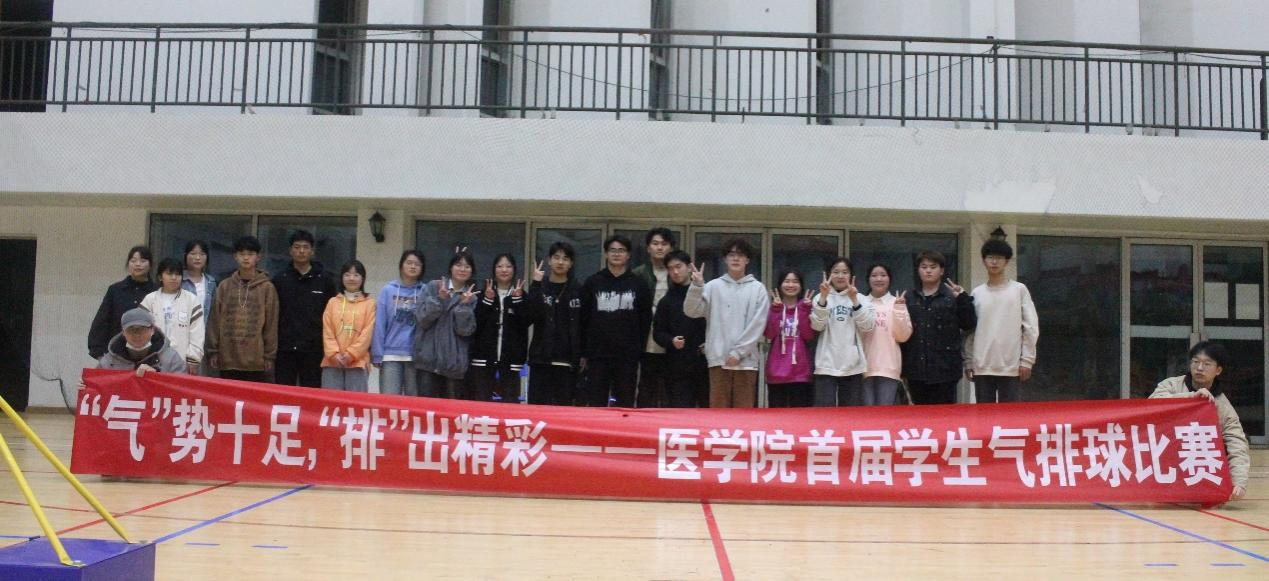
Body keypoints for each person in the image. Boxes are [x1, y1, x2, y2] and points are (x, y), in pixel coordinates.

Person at [1148, 341, 1250, 503]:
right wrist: (1191, 398)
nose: (1199, 368)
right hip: (1165, 455)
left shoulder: (1223, 405)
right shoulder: (1171, 385)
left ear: (1218, 370)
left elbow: (1237, 443)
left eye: (1207, 364)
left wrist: (1239, 481)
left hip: (1195, 461)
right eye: (1195, 362)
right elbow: (1151, 404)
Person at [684, 238, 769, 408]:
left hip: (746, 362)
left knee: (744, 414)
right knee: (718, 413)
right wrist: (697, 286)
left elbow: (757, 325)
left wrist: (738, 353)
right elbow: (691, 311)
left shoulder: (758, 289)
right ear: (724, 259)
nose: (736, 258)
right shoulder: (712, 286)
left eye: (740, 255)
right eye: (731, 254)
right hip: (718, 360)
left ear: (747, 260)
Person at [579, 235, 652, 407]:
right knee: (596, 403)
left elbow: (645, 319)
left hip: (627, 356)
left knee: (625, 404)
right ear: (606, 254)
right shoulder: (593, 282)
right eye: (612, 250)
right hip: (598, 355)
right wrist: (585, 352)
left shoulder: (639, 284)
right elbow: (583, 318)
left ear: (628, 255)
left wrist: (638, 349)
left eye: (621, 250)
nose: (616, 254)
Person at [964, 239, 1040, 404]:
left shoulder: (1019, 290)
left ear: (1006, 261)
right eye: (990, 257)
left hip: (1011, 366)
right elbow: (971, 330)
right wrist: (969, 360)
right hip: (982, 365)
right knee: (984, 415)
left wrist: (1027, 360)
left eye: (999, 258)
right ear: (983, 260)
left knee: (1010, 416)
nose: (994, 262)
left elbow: (1031, 327)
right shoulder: (977, 293)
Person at [901, 250, 976, 404]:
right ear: (918, 270)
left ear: (941, 270)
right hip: (915, 369)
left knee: (945, 414)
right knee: (919, 414)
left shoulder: (952, 296)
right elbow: (902, 332)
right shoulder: (909, 297)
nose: (928, 270)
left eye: (933, 267)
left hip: (945, 369)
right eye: (924, 267)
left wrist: (963, 299)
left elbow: (969, 324)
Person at [206, 236, 279, 382]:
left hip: (256, 360)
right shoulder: (225, 286)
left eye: (250, 254)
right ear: (235, 256)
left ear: (258, 257)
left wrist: (269, 355)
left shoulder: (267, 288)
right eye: (242, 254)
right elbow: (215, 320)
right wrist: (213, 350)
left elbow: (271, 324)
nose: (246, 258)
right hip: (228, 358)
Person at [272, 229, 338, 387]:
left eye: (305, 247)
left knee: (311, 393)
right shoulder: (280, 279)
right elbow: (273, 314)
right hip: (285, 348)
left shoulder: (325, 280)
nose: (301, 251)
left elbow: (332, 315)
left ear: (312, 251)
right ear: (290, 250)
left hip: (314, 349)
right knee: (283, 392)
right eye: (297, 247)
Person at [810, 257, 876, 406]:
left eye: (845, 272)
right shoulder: (819, 298)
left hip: (853, 365)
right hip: (826, 364)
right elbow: (817, 326)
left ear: (851, 275)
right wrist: (823, 298)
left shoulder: (862, 298)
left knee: (850, 414)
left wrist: (854, 301)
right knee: (824, 413)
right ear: (828, 274)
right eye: (836, 272)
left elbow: (868, 326)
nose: (840, 276)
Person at [414, 250, 478, 399]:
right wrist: (439, 299)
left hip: (453, 364)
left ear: (472, 271)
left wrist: (463, 306)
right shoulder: (433, 287)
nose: (462, 269)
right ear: (450, 267)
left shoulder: (471, 297)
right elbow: (422, 319)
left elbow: (465, 331)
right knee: (426, 408)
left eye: (467, 266)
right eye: (458, 265)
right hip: (428, 361)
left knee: (450, 409)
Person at [526, 242, 583, 406]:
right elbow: (529, 317)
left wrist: (582, 355)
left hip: (567, 361)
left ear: (571, 263)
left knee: (563, 411)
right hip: (541, 359)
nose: (560, 262)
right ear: (549, 260)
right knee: (537, 409)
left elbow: (583, 324)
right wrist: (535, 284)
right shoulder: (540, 286)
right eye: (556, 257)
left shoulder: (578, 289)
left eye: (565, 258)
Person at [470, 254, 529, 403]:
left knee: (510, 403)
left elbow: (525, 323)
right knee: (481, 401)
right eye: (500, 266)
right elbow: (476, 323)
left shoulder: (521, 295)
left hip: (511, 358)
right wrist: (487, 301)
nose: (504, 270)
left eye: (508, 266)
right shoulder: (483, 294)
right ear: (494, 269)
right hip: (483, 357)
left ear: (514, 270)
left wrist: (517, 300)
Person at [653, 250, 708, 407]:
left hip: (705, 361)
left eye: (678, 266)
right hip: (677, 364)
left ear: (689, 267)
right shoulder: (666, 301)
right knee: (680, 410)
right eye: (671, 268)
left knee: (709, 411)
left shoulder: (706, 294)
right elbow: (658, 333)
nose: (675, 272)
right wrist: (671, 340)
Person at [88, 246, 158, 360]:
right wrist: (98, 352)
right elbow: (102, 321)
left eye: (143, 261)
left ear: (150, 265)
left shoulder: (157, 291)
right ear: (128, 264)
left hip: (150, 354)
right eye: (133, 261)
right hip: (117, 353)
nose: (138, 264)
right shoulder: (115, 290)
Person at [372, 250, 426, 396]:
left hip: (415, 356)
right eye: (409, 263)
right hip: (390, 355)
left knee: (414, 402)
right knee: (389, 401)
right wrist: (377, 354)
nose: (413, 266)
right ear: (401, 265)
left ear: (422, 268)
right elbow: (380, 324)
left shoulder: (425, 291)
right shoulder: (387, 290)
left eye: (417, 264)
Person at [632, 227, 676, 407]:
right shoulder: (638, 274)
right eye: (655, 243)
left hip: (672, 337)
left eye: (664, 244)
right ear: (648, 248)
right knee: (646, 385)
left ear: (671, 248)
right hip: (646, 337)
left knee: (670, 388)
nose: (659, 248)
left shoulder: (677, 273)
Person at [859, 264, 912, 406]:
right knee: (866, 414)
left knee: (885, 414)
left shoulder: (897, 302)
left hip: (889, 367)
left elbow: (903, 336)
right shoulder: (860, 302)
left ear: (889, 279)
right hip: (863, 368)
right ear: (868, 279)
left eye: (883, 275)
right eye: (874, 275)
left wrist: (899, 309)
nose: (879, 279)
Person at [140, 258, 204, 375]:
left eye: (178, 274)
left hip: (182, 360)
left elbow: (197, 332)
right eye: (169, 274)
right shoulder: (149, 300)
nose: (174, 278)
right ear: (160, 277)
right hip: (153, 360)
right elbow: (141, 330)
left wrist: (193, 359)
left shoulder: (191, 300)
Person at [764, 269, 817, 408]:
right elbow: (769, 334)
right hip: (777, 372)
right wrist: (776, 311)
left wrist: (804, 310)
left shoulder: (806, 307)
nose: (791, 285)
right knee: (777, 416)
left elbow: (809, 335)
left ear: (801, 285)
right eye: (787, 281)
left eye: (795, 281)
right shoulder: (774, 308)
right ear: (780, 285)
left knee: (800, 417)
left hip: (800, 374)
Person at [321, 260, 376, 392]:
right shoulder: (332, 302)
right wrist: (334, 354)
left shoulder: (370, 303)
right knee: (331, 401)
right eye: (347, 274)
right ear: (341, 278)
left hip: (358, 363)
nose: (351, 278)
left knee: (354, 403)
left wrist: (352, 354)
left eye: (356, 275)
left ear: (363, 278)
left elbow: (367, 334)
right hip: (332, 362)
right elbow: (327, 331)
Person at [97, 308, 187, 376]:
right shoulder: (108, 361)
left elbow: (181, 387)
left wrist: (157, 377)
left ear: (152, 330)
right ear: (123, 332)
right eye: (131, 330)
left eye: (142, 329)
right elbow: (97, 385)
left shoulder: (171, 358)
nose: (137, 335)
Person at [181, 240, 218, 337]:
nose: (198, 258)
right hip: (181, 332)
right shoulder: (178, 279)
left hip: (204, 334)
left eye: (202, 254)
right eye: (193, 254)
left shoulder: (211, 282)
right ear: (185, 256)